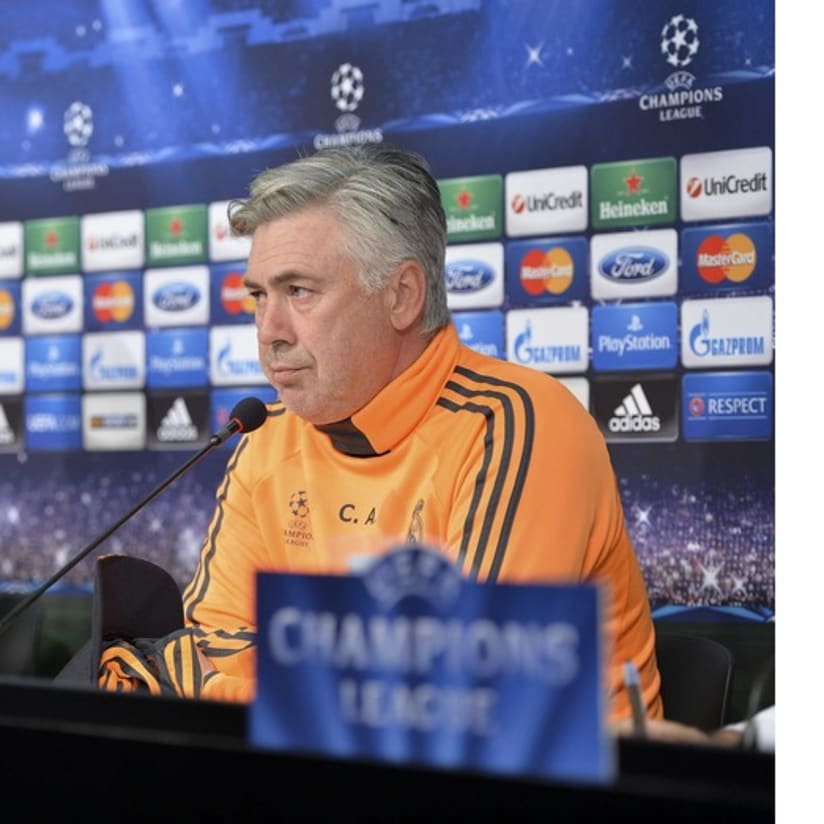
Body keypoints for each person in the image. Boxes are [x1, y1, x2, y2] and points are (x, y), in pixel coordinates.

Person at [100, 144, 662, 722]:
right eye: (259, 295)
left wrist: (272, 669)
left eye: (299, 291)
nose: (269, 330)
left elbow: (457, 699)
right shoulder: (266, 438)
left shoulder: (518, 424)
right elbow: (201, 647)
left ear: (401, 296)